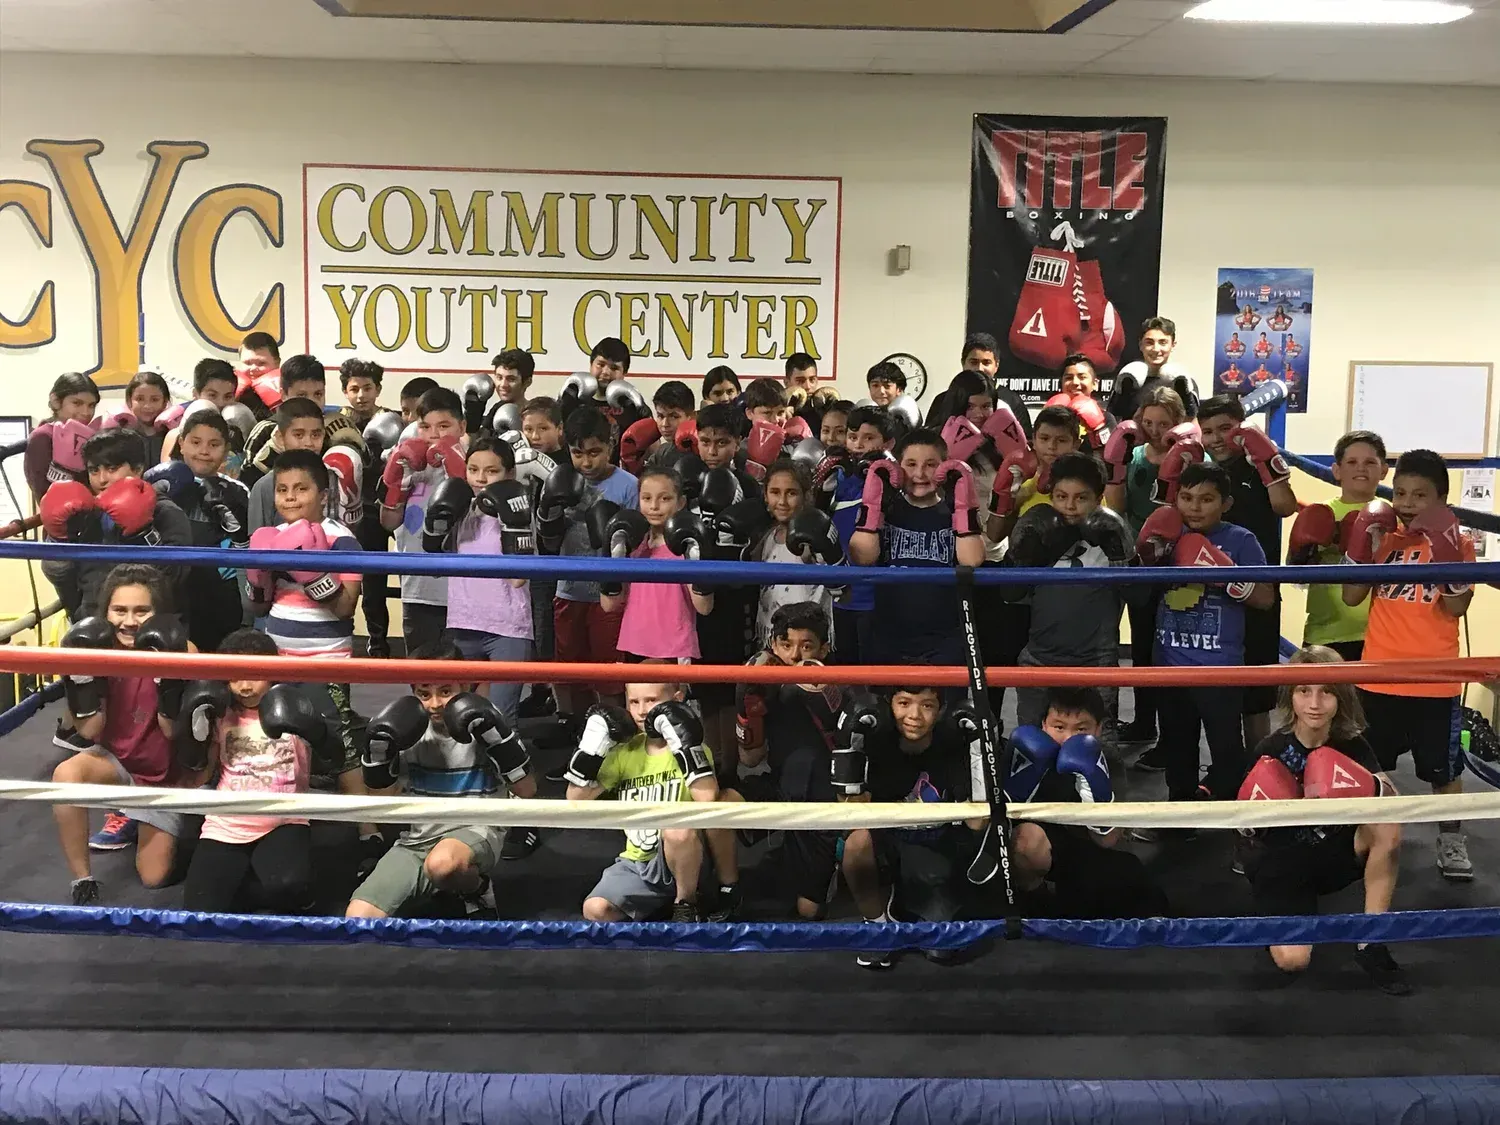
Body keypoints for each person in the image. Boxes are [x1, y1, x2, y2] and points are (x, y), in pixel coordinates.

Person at [1237, 646, 1407, 993]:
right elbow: (1243, 834)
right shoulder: (1270, 749)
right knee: (1293, 961)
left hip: (1334, 853)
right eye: (1304, 691)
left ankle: (1371, 941)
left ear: (1341, 698)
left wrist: (1367, 785)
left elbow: (1392, 801)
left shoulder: (1353, 745)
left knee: (1387, 828)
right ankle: (1279, 919)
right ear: (1291, 696)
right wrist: (1252, 826)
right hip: (1283, 863)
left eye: (1327, 691)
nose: (1315, 704)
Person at [1342, 448, 1477, 880]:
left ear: (1442, 501)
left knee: (1444, 770)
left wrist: (1446, 553)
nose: (1407, 503)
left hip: (1433, 681)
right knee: (1372, 765)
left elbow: (1456, 607)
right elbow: (1351, 597)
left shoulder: (1460, 544)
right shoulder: (1386, 539)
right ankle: (1369, 833)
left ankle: (1451, 839)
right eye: (1400, 492)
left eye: (1420, 495)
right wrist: (1362, 549)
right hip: (1378, 675)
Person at [349, 640, 538, 920]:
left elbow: (527, 790)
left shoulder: (485, 722)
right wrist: (379, 753)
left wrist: (498, 742)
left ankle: (477, 889)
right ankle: (443, 884)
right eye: (424, 694)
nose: (435, 704)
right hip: (419, 839)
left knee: (443, 864)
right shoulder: (406, 727)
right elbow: (381, 799)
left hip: (477, 830)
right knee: (358, 917)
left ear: (464, 686)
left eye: (445, 691)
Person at [247, 448, 376, 851]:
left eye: (301, 489)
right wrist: (258, 579)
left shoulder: (342, 540)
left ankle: (368, 830)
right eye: (282, 489)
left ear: (322, 494)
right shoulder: (270, 540)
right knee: (278, 740)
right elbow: (258, 606)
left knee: (340, 745)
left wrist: (314, 574)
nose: (289, 497)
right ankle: (282, 824)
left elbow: (345, 607)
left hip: (326, 661)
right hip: (279, 658)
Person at [51, 565, 195, 905]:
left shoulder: (182, 650)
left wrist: (167, 678)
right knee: (65, 774)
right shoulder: (95, 650)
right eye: (120, 610)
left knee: (153, 878)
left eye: (141, 611)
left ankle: (176, 822)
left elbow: (171, 730)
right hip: (119, 760)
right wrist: (81, 679)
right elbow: (90, 730)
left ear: (159, 614)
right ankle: (82, 880)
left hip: (167, 772)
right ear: (106, 612)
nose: (129, 621)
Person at [1136, 461, 1273, 817]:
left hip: (1220, 668)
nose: (1195, 507)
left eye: (1207, 499)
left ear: (1225, 503)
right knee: (1179, 745)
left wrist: (1225, 575)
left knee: (1227, 748)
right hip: (1169, 664)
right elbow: (1136, 593)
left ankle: (1231, 818)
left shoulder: (1241, 540)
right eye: (1187, 497)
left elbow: (1265, 598)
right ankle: (1180, 813)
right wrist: (1149, 557)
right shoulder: (1165, 534)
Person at [178, 628, 338, 914]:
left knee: (288, 886)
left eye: (254, 675)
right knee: (199, 907)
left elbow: (335, 759)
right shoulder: (219, 712)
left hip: (283, 818)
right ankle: (241, 876)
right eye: (235, 677)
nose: (245, 687)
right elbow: (201, 774)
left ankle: (266, 876)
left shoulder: (293, 705)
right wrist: (196, 735)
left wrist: (317, 730)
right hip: (227, 820)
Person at [564, 681, 739, 922]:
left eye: (652, 700)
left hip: (686, 857)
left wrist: (683, 745)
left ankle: (686, 904)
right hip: (638, 861)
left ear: (677, 699)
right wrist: (592, 749)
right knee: (595, 910)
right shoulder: (624, 753)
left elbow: (707, 797)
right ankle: (659, 902)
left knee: (677, 828)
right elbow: (575, 799)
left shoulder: (692, 747)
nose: (642, 710)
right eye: (634, 702)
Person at [840, 686, 988, 971]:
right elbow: (850, 815)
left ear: (940, 710)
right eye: (904, 703)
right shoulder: (876, 741)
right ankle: (876, 926)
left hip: (934, 850)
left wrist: (979, 749)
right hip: (888, 845)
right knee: (856, 842)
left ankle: (904, 905)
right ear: (889, 706)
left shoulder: (952, 746)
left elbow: (977, 822)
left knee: (939, 950)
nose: (914, 716)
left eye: (927, 705)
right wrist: (850, 744)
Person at [1008, 688, 1166, 919]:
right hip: (1047, 847)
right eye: (1059, 727)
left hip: (1092, 849)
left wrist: (1093, 782)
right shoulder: (1025, 757)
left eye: (1081, 729)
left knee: (1137, 892)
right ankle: (1035, 901)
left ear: (1098, 729)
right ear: (1043, 724)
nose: (1068, 738)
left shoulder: (1108, 763)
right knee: (1022, 842)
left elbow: (1108, 839)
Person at [1197, 393, 1299, 751]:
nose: (1216, 438)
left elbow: (1286, 506)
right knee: (1216, 682)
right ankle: (1225, 764)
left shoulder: (1258, 465)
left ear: (1241, 428)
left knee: (1256, 688)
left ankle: (1259, 763)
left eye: (1225, 428)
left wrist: (1267, 458)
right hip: (1213, 587)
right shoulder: (1203, 473)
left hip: (1259, 585)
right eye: (1207, 431)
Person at [1009, 454, 1134, 740]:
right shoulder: (1039, 533)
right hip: (1039, 658)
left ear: (1099, 497)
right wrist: (1025, 554)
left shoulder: (1113, 535)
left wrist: (1122, 551)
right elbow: (1011, 592)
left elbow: (1138, 598)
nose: (1070, 506)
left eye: (1081, 497)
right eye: (1061, 496)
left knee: (1098, 747)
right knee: (1032, 743)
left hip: (1095, 662)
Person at [734, 602, 843, 919]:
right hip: (781, 788)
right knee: (718, 803)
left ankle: (833, 859)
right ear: (773, 646)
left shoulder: (839, 683)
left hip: (824, 804)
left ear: (824, 649)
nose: (795, 656)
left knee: (808, 911)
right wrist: (747, 710)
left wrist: (816, 693)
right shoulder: (764, 684)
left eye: (806, 646)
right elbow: (750, 759)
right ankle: (724, 891)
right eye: (786, 645)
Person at [1103, 385, 1193, 758]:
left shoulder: (1190, 456)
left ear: (1177, 424)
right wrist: (1118, 467)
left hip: (1177, 557)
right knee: (1140, 642)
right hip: (1139, 557)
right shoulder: (1133, 452)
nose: (1155, 430)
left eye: (1164, 423)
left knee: (1170, 646)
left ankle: (1175, 736)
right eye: (1149, 422)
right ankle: (1143, 722)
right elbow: (1117, 505)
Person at [849, 427, 985, 668]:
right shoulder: (886, 510)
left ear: (945, 467)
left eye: (931, 465)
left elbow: (972, 560)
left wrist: (963, 508)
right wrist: (873, 507)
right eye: (910, 464)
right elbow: (863, 558)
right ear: (897, 468)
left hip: (944, 637)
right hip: (888, 633)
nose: (920, 473)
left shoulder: (954, 513)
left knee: (945, 705)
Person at [40, 428, 192, 631]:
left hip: (149, 627)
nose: (102, 479)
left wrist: (142, 532)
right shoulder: (83, 514)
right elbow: (62, 580)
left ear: (138, 469)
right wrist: (57, 539)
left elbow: (176, 577)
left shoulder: (165, 511)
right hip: (92, 625)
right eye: (94, 470)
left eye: (111, 469)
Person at [549, 406, 639, 726]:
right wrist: (548, 512)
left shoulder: (628, 485)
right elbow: (546, 538)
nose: (586, 462)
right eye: (577, 453)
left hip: (610, 594)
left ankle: (612, 736)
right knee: (571, 670)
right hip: (568, 589)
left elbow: (637, 543)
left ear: (610, 445)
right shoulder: (560, 478)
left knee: (608, 672)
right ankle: (577, 739)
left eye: (594, 452)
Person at [380, 385, 465, 652]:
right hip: (417, 591)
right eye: (425, 427)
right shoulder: (410, 466)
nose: (434, 435)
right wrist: (396, 483)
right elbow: (389, 523)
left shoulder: (477, 466)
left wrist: (458, 472)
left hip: (462, 595)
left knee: (464, 681)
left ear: (461, 427)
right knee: (422, 680)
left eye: (443, 426)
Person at [1290, 430, 1388, 660]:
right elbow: (1297, 576)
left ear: (1384, 470)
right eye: (1352, 462)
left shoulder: (1393, 518)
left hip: (1381, 633)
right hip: (1326, 632)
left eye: (1370, 462)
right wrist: (1309, 549)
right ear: (1336, 470)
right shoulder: (1319, 513)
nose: (1361, 468)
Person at [602, 465, 713, 661]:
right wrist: (614, 555)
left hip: (676, 649)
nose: (654, 506)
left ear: (681, 502)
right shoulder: (631, 543)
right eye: (646, 498)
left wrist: (695, 559)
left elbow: (704, 607)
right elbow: (609, 605)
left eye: (665, 498)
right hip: (634, 643)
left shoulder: (688, 546)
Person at [171, 409, 251, 652]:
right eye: (196, 442)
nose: (204, 451)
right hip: (172, 589)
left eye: (214, 444)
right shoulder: (158, 485)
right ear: (182, 443)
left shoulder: (237, 492)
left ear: (226, 449)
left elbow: (246, 548)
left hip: (219, 595)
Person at [826, 404, 893, 665]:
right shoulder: (840, 477)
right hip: (841, 592)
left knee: (875, 675)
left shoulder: (892, 480)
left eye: (868, 438)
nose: (858, 445)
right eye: (853, 437)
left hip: (876, 597)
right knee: (845, 672)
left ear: (888, 442)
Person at [241, 356, 365, 490]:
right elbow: (246, 487)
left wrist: (352, 449)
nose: (311, 402)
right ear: (283, 394)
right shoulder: (266, 429)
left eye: (318, 394)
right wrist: (272, 452)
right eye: (302, 395)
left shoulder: (336, 424)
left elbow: (365, 484)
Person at [515, 397, 566, 720]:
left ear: (559, 429)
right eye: (528, 429)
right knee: (532, 625)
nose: (535, 436)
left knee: (549, 627)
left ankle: (553, 693)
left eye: (543, 428)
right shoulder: (522, 463)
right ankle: (538, 689)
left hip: (556, 557)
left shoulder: (565, 465)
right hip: (526, 555)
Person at [751, 459, 838, 646]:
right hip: (772, 637)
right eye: (775, 492)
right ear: (765, 496)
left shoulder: (817, 532)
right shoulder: (767, 537)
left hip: (808, 641)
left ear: (806, 496)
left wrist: (820, 557)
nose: (782, 502)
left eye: (791, 493)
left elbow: (844, 593)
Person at [986, 402, 1082, 544]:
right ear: (1034, 440)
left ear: (1076, 445)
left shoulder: (1086, 480)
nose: (1051, 446)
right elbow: (994, 536)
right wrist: (1010, 497)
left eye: (1061, 440)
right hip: (1025, 564)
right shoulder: (1019, 477)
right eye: (1044, 438)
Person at [245, 398, 328, 532]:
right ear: (280, 437)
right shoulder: (264, 487)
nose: (309, 443)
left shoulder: (334, 476)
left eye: (316, 435)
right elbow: (258, 544)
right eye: (299, 435)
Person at [25, 372, 101, 502]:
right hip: (62, 517)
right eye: (77, 403)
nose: (86, 412)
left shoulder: (92, 435)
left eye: (91, 405)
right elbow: (42, 495)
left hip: (93, 513)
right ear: (56, 401)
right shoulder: (42, 437)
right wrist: (64, 469)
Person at [1106, 316, 1197, 422]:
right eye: (1149, 342)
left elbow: (1193, 423)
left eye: (1163, 342)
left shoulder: (1182, 381)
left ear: (1173, 345)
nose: (1156, 349)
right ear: (1141, 345)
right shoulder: (1128, 379)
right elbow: (1114, 420)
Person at [957, 331, 1033, 439]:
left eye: (986, 362)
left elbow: (1025, 444)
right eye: (973, 362)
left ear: (996, 365)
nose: (979, 368)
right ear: (963, 363)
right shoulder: (943, 399)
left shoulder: (1012, 402)